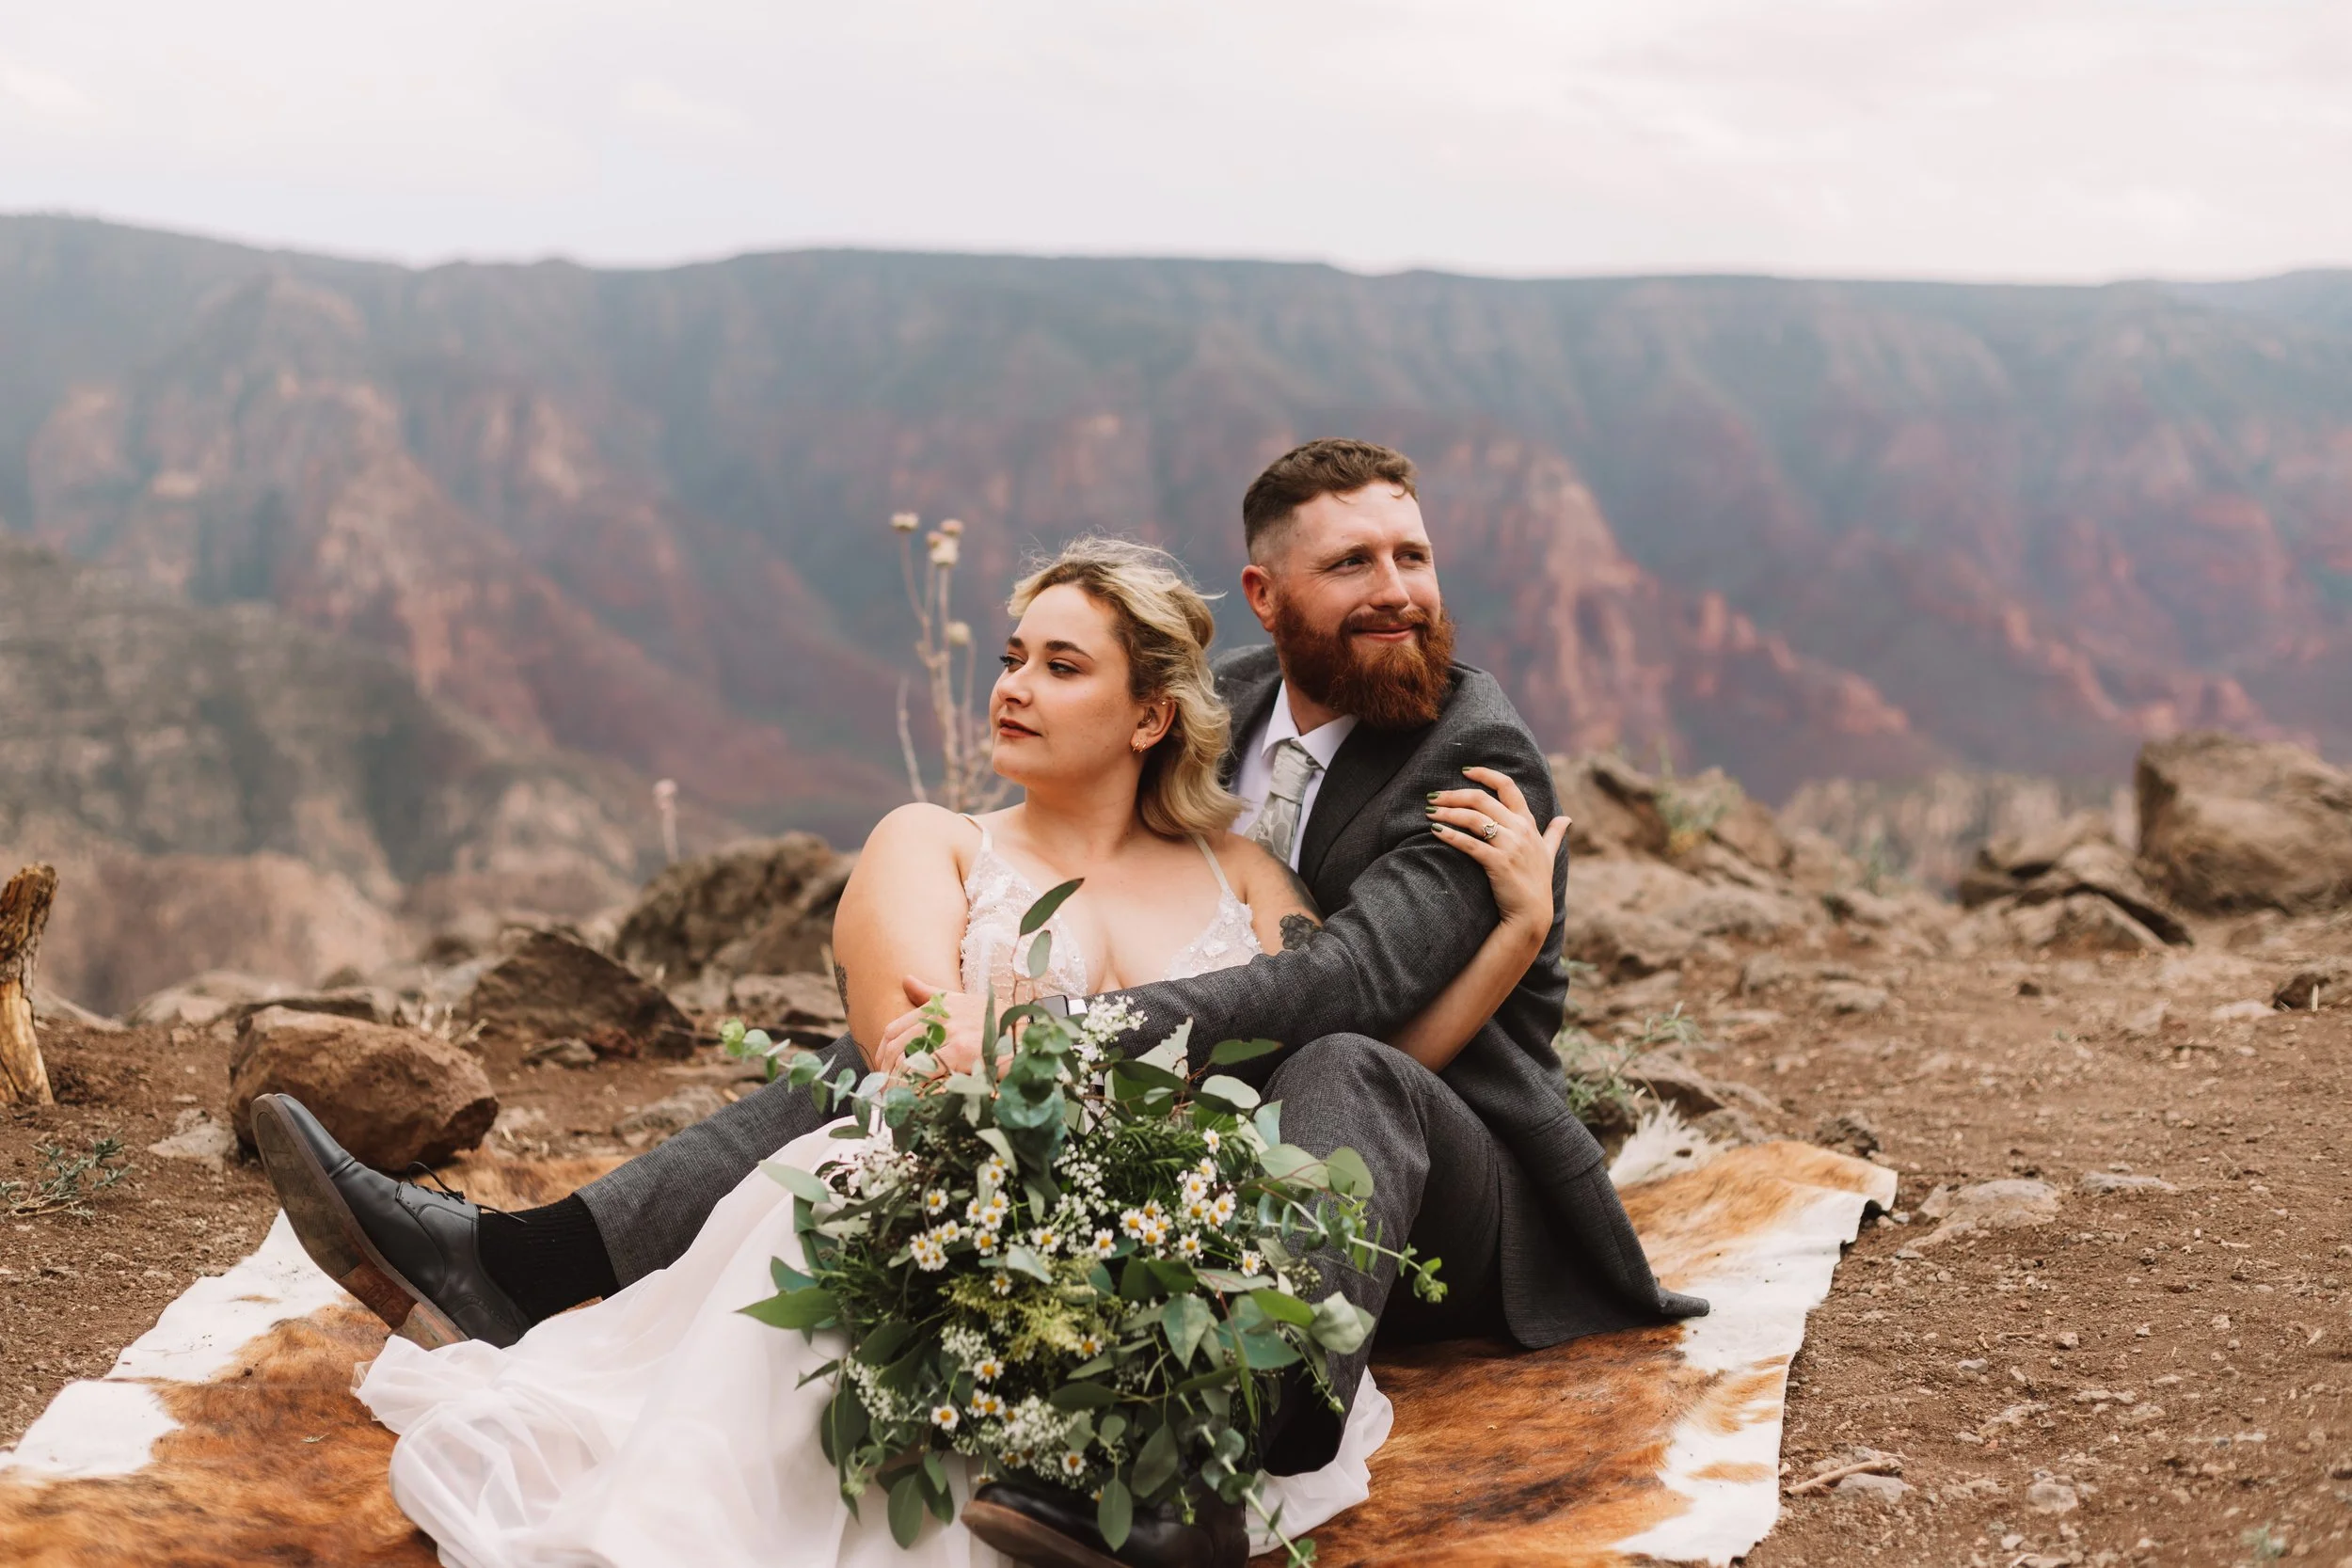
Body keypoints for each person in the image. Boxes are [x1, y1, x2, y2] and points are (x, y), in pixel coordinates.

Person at [253, 439, 1704, 1568]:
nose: (1397, 588)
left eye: (1414, 552)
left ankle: (1199, 1474)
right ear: (1268, 599)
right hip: (1245, 1130)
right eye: (1352, 564)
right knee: (883, 1063)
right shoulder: (1227, 695)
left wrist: (1511, 933)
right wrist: (996, 1041)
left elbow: (1356, 990)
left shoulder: (1474, 742)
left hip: (1453, 1165)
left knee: (1330, 1064)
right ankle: (521, 1263)